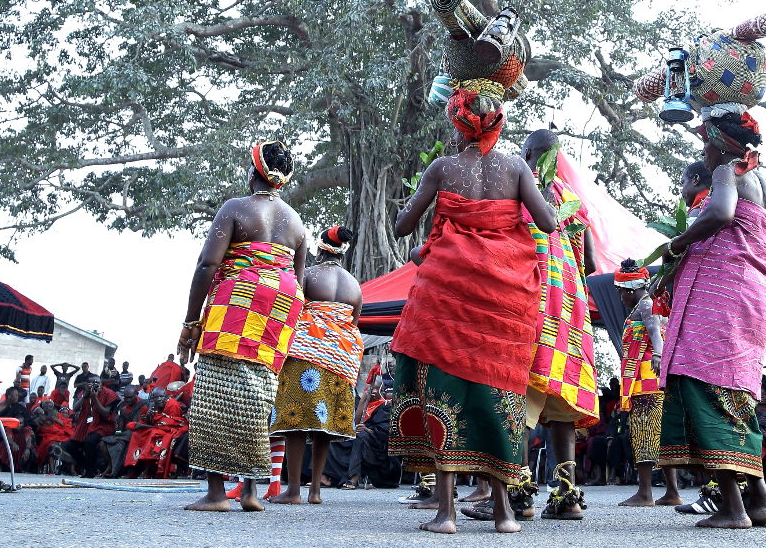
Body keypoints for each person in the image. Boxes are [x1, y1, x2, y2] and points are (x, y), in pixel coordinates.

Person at [388, 87, 556, 535]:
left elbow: (404, 225)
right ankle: (503, 512)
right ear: (497, 123)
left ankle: (446, 515)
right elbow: (549, 223)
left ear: (457, 124)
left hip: (445, 292)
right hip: (505, 296)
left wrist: (428, 206)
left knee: (444, 390)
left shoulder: (443, 167)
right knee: (498, 395)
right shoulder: (517, 167)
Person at [656, 110, 766, 529]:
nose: (702, 152)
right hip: (752, 295)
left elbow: (720, 214)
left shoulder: (725, 170)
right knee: (734, 391)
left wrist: (677, 244)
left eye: (704, 142)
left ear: (720, 143)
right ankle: (759, 501)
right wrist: (759, 262)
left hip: (718, 296)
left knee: (706, 386)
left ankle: (733, 509)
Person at [466, 131, 599, 522]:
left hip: (531, 300)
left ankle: (517, 495)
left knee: (516, 393)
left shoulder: (519, 186)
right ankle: (567, 496)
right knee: (561, 401)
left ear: (527, 154)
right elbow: (589, 261)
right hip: (571, 308)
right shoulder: (572, 199)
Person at [177, 139, 306, 513]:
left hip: (239, 301)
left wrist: (190, 320)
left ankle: (217, 494)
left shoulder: (235, 208)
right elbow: (297, 283)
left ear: (253, 173)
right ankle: (250, 492)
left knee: (217, 391)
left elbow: (206, 265)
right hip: (279, 308)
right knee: (258, 394)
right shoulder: (296, 223)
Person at [268, 225, 365, 505]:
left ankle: (294, 491)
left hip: (306, 352)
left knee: (296, 420)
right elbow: (353, 324)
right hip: (342, 357)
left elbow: (292, 308)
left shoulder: (309, 275)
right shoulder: (354, 285)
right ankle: (315, 492)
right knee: (324, 423)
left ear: (320, 249)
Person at [613, 261, 681, 507]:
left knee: (644, 432)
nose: (620, 297)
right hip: (652, 379)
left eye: (620, 291)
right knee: (660, 434)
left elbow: (655, 333)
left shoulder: (645, 304)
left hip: (646, 380)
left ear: (629, 290)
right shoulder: (649, 303)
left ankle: (645, 493)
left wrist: (658, 356)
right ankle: (672, 492)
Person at [62, 374, 119, 478]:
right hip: (85, 426)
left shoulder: (109, 394)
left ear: (101, 383)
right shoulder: (84, 394)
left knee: (89, 442)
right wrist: (85, 396)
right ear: (87, 384)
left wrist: (95, 398)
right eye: (92, 383)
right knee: (69, 445)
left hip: (102, 426)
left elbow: (106, 413)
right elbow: (74, 408)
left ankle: (90, 472)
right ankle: (88, 466)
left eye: (97, 382)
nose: (95, 385)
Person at [124, 387, 187, 479]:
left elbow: (171, 423)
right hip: (157, 428)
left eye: (161, 397)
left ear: (165, 396)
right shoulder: (152, 405)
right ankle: (134, 467)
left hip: (170, 430)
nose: (158, 399)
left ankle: (150, 469)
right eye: (156, 397)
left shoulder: (172, 405)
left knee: (153, 435)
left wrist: (145, 425)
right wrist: (149, 417)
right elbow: (151, 421)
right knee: (136, 435)